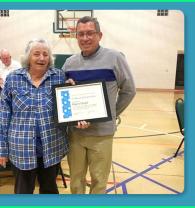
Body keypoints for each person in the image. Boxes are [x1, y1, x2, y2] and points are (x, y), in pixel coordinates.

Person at [62, 16, 136, 194]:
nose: (85, 38)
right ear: (76, 36)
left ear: (99, 35)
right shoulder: (69, 63)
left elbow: (129, 90)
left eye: (90, 33)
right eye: (81, 34)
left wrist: (109, 114)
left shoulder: (115, 58)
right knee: (76, 181)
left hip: (102, 135)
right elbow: (63, 95)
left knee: (99, 182)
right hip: (76, 135)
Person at [0, 38, 69, 194]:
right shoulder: (13, 78)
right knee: (23, 192)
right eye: (36, 53)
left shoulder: (59, 76)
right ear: (28, 57)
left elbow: (67, 107)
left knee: (49, 190)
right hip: (21, 149)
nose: (41, 58)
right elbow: (3, 115)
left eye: (45, 54)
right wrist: (2, 149)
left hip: (52, 147)